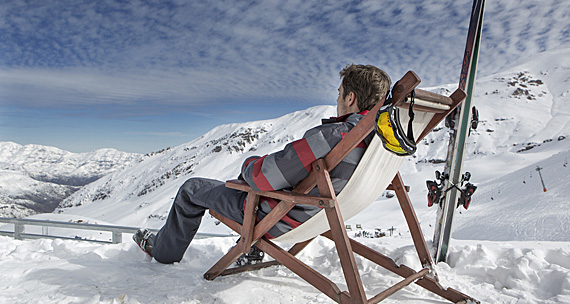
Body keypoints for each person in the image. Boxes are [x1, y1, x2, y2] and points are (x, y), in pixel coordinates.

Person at [133, 64, 391, 264]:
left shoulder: (338, 135)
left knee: (191, 188)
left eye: (339, 93)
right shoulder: (380, 140)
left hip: (278, 217)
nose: (337, 99)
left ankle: (162, 252)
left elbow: (262, 178)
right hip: (321, 215)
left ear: (350, 98)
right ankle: (252, 248)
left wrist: (249, 163)